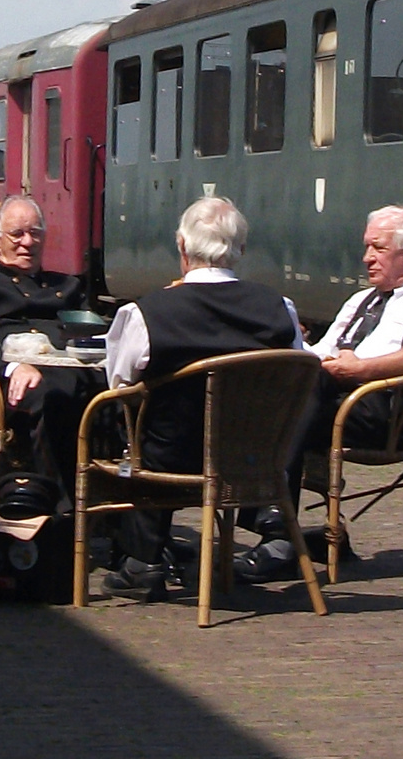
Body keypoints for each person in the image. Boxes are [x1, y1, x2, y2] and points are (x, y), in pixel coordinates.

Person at [234, 202, 403, 582]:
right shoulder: (361, 301)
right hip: (338, 404)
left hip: (392, 416)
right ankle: (282, 528)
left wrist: (361, 370)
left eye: (378, 248)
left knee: (296, 399)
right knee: (280, 391)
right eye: (367, 247)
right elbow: (320, 354)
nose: (366, 258)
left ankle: (278, 532)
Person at [98, 196, 305, 602]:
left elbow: (119, 386)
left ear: (181, 246)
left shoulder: (146, 313)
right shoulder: (279, 308)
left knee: (126, 428)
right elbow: (297, 372)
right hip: (253, 461)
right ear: (240, 250)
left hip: (170, 460)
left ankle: (141, 559)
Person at [0, 195, 99, 513]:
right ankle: (59, 513)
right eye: (17, 234)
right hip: (11, 384)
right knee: (52, 394)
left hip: (75, 374)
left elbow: (93, 334)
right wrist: (12, 367)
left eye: (35, 233)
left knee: (125, 395)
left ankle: (129, 527)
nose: (27, 242)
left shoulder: (68, 286)